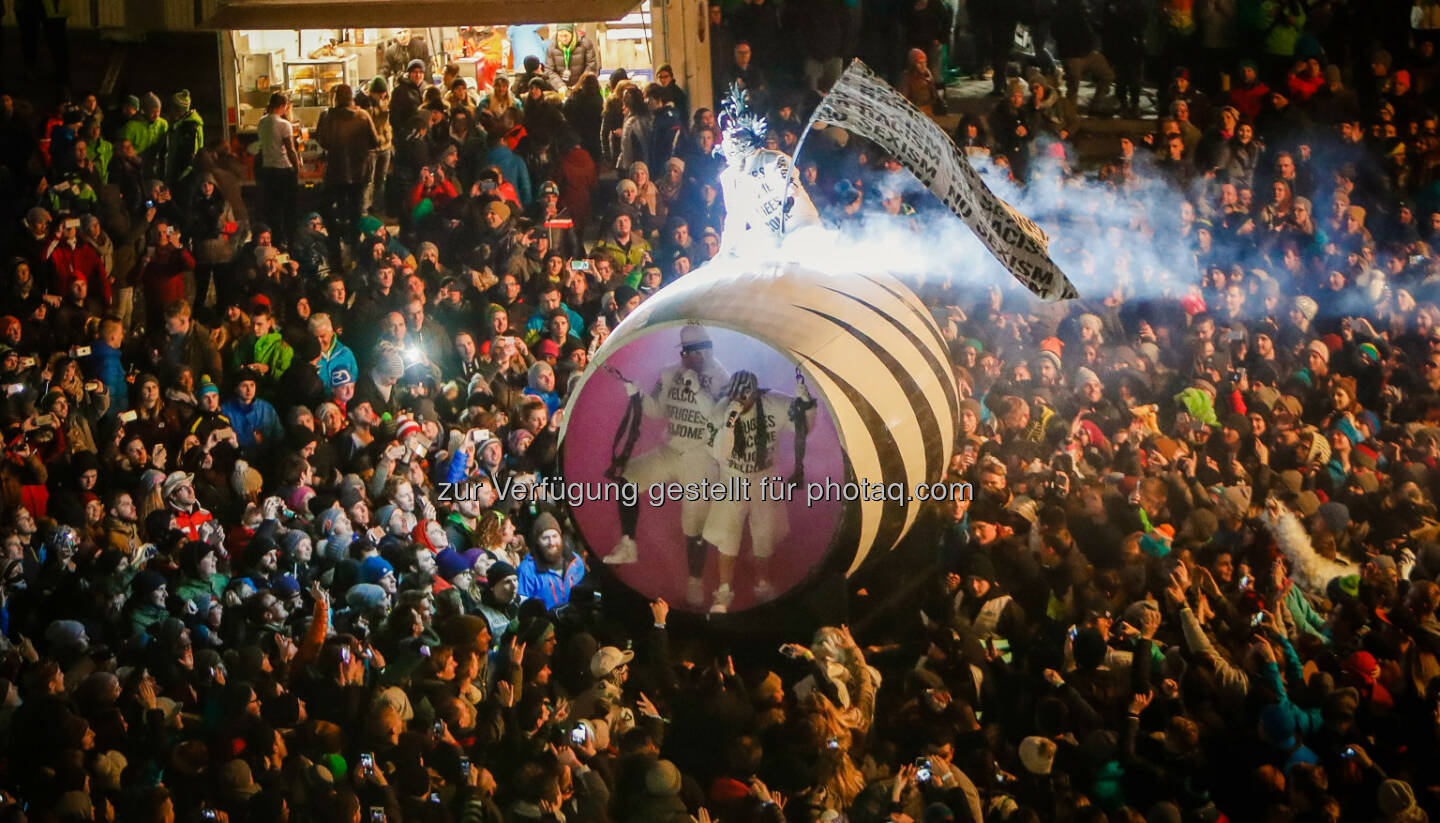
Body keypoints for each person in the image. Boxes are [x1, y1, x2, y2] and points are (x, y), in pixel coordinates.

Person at [605, 327, 730, 602]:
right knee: (628, 478)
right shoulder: (668, 373)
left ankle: (694, 580)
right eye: (684, 353)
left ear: (706, 351)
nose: (688, 358)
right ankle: (628, 542)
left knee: (693, 524)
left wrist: (696, 389)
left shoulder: (723, 377)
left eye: (693, 352)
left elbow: (717, 418)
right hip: (671, 447)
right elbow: (656, 410)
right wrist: (637, 395)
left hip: (702, 455)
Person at [702, 368, 815, 613]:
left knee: (765, 535)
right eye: (736, 397)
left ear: (756, 394)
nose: (740, 402)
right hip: (732, 479)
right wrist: (729, 423)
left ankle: (762, 584)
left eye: (745, 398)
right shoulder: (721, 410)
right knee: (727, 537)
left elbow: (804, 428)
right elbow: (720, 454)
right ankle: (724, 591)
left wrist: (806, 404)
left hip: (765, 477)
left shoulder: (774, 402)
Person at [315, 84, 379, 244]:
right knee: (356, 210)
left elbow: (323, 141)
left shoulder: (328, 116)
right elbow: (375, 141)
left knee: (332, 208)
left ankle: (336, 240)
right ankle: (354, 244)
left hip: (336, 171)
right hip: (359, 171)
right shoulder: (363, 116)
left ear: (335, 98)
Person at [256, 92, 300, 248]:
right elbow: (290, 149)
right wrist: (297, 168)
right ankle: (290, 239)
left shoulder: (262, 122)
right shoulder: (284, 124)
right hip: (283, 169)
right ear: (283, 106)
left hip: (268, 169)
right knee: (289, 207)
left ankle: (276, 239)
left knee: (273, 207)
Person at [543, 24, 599, 95]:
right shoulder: (552, 46)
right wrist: (560, 85)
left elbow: (591, 66)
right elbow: (549, 70)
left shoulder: (585, 43)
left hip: (583, 90)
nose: (563, 38)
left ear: (572, 33)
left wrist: (579, 85)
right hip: (561, 90)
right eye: (560, 36)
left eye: (566, 35)